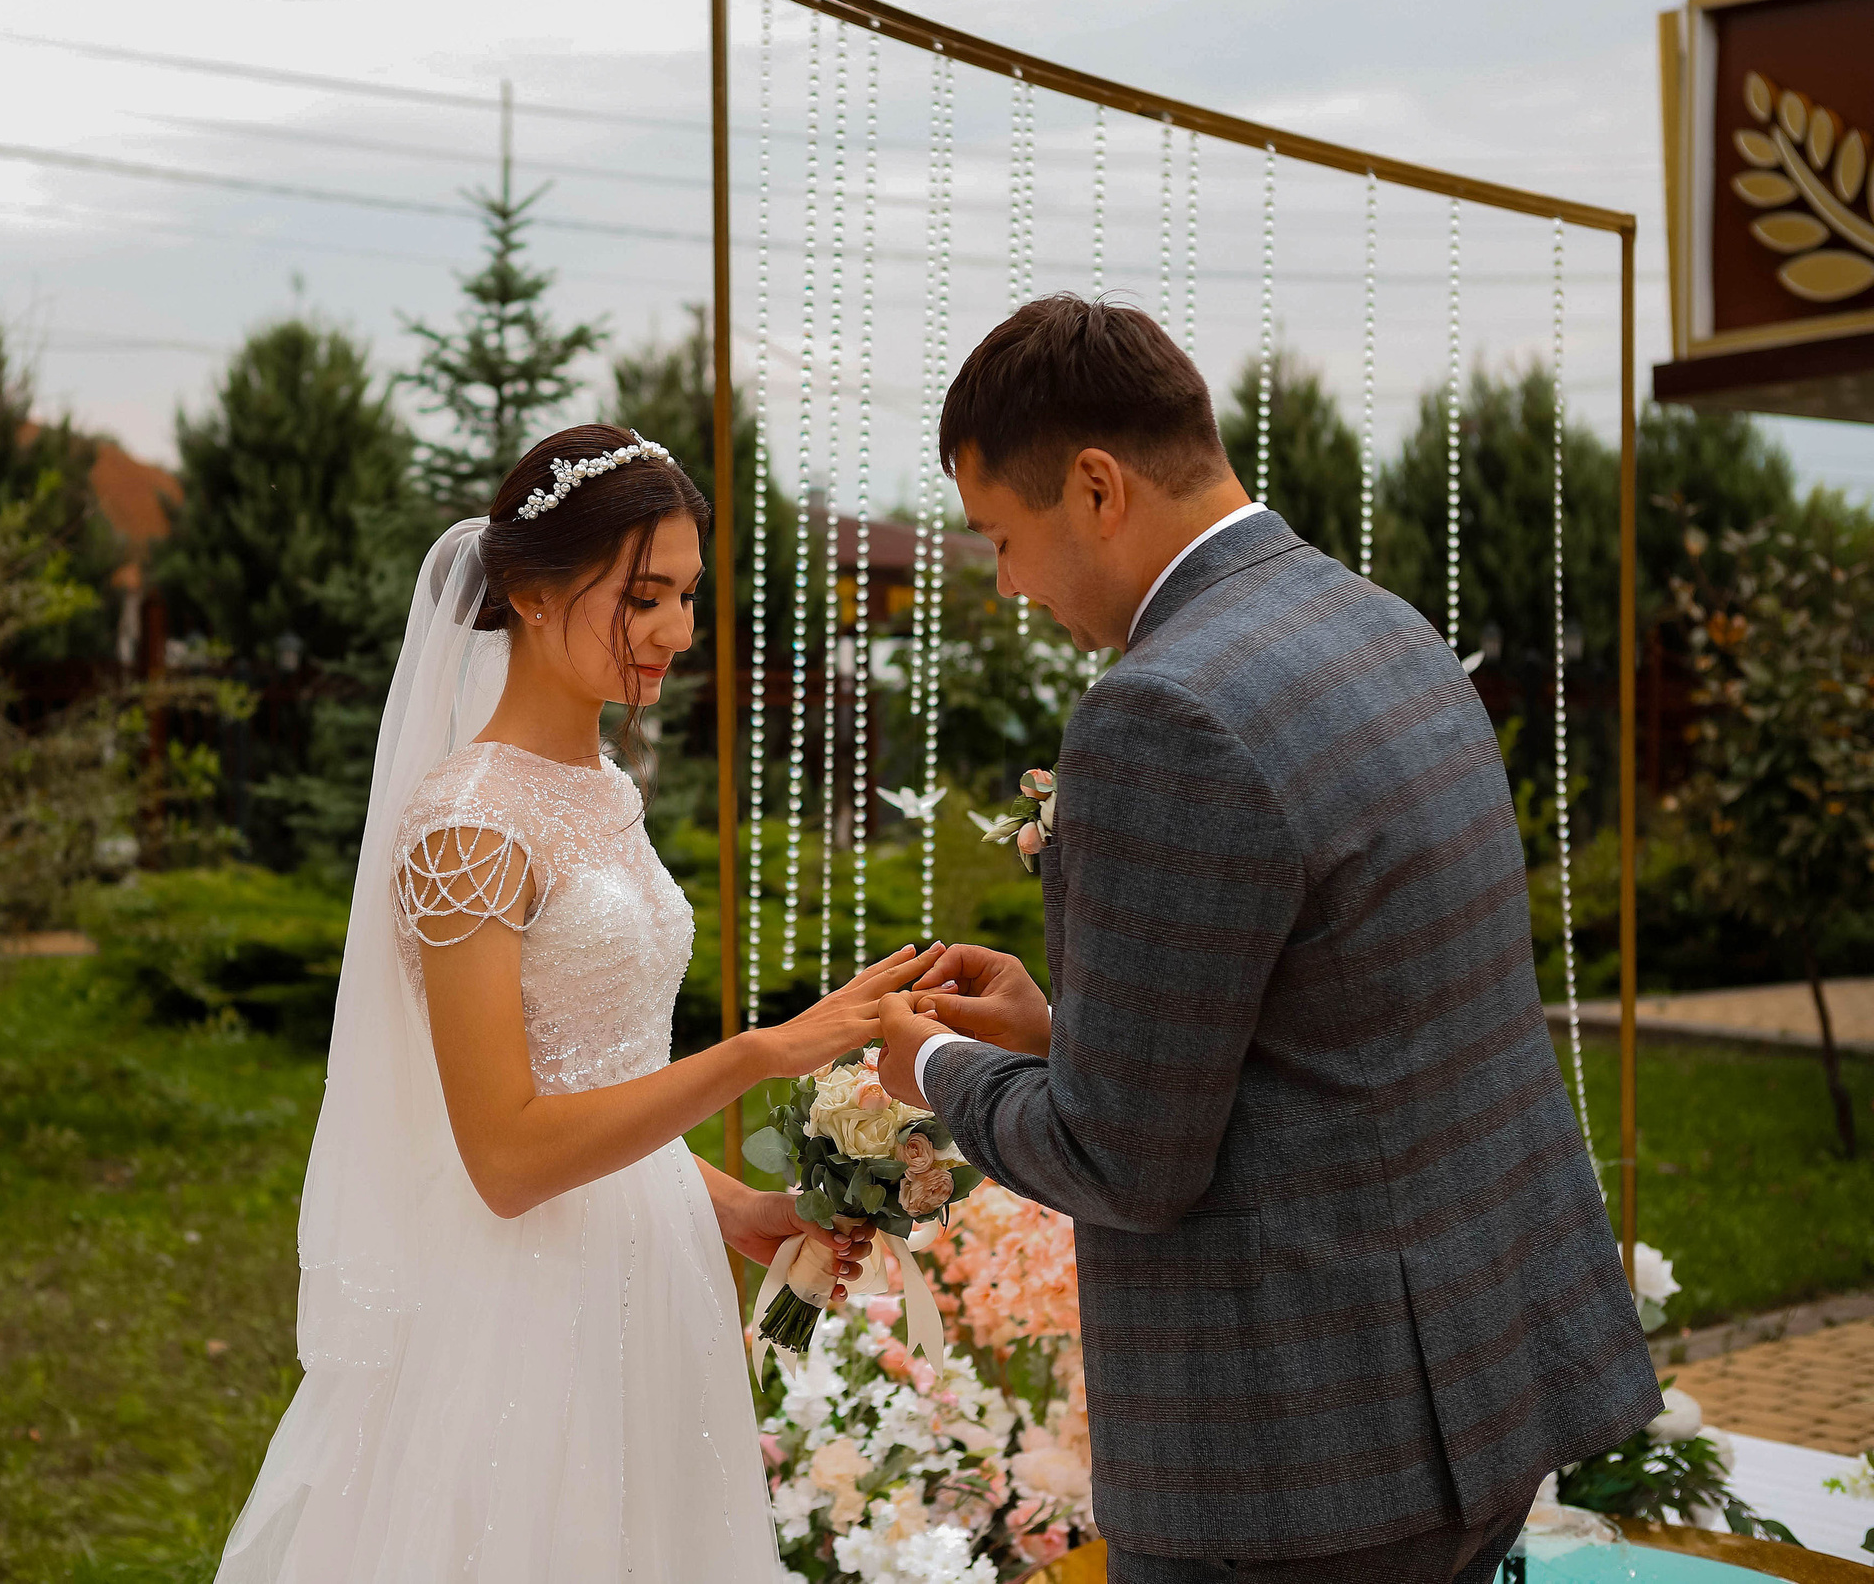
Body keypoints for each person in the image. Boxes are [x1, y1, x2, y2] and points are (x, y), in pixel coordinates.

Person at [873, 297, 1659, 1583]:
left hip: (1296, 1465)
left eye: (1002, 539)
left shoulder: (1160, 711)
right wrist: (1064, 1032)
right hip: (1480, 1397)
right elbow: (1345, 1016)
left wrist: (934, 1072)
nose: (1007, 584)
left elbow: (1123, 1160)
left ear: (1095, 486)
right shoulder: (1380, 627)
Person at [217, 424, 942, 1582]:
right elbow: (504, 1154)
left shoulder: (600, 788)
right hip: (516, 1316)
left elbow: (592, 1077)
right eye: (642, 593)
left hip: (648, 1282)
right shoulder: (468, 828)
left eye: (688, 596)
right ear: (530, 592)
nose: (674, 631)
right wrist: (758, 1055)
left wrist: (733, 1210)